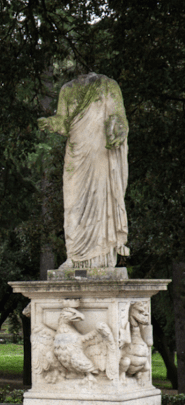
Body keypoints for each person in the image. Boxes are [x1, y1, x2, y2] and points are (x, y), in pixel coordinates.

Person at [38, 73, 129, 269]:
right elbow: (63, 121)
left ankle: (102, 257)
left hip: (100, 153)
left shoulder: (108, 85)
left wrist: (119, 131)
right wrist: (51, 123)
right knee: (73, 204)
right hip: (76, 155)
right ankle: (75, 256)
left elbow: (119, 117)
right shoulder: (68, 89)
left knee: (101, 199)